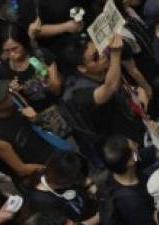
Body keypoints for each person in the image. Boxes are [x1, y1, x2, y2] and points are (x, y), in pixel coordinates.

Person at [61, 33, 146, 161]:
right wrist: (115, 53)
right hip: (118, 147)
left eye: (99, 50)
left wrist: (137, 94)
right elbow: (110, 87)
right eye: (95, 57)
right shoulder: (79, 94)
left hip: (132, 123)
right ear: (82, 68)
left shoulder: (103, 70)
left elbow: (118, 87)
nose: (102, 56)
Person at [101, 135, 159, 225]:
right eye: (135, 146)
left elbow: (157, 151)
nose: (138, 145)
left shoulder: (119, 167)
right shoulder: (130, 203)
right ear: (130, 161)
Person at [0, 78, 55, 184]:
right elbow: (21, 170)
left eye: (8, 92)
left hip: (51, 153)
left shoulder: (16, 102)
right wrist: (51, 170)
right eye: (3, 98)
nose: (9, 97)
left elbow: (45, 127)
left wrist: (36, 118)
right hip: (39, 175)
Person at [0, 24, 62, 113]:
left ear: (23, 43)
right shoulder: (4, 70)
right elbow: (12, 103)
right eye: (7, 50)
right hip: (37, 114)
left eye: (15, 48)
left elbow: (57, 90)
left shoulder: (41, 56)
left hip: (59, 106)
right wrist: (12, 91)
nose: (11, 54)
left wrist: (46, 78)